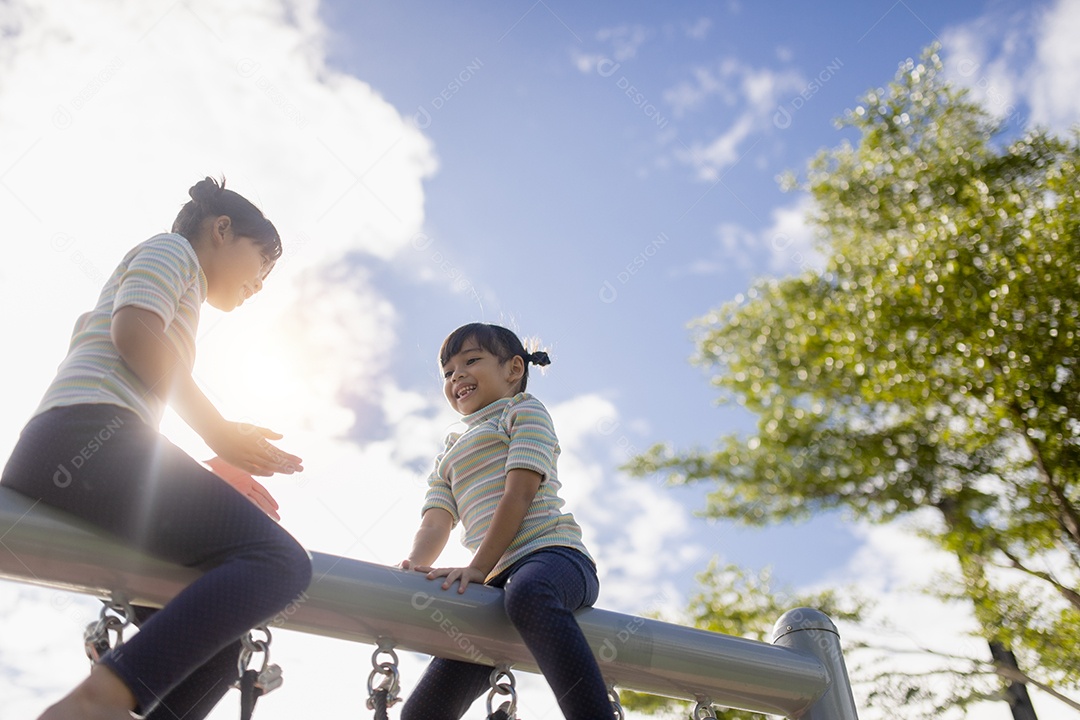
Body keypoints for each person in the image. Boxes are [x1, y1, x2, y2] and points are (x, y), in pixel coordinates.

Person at [1, 177, 313, 720]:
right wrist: (217, 431)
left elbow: (126, 366)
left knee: (215, 656)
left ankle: (116, 699)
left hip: (81, 448)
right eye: (262, 263)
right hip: (82, 436)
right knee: (281, 562)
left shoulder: (181, 284)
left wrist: (211, 465)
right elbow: (135, 334)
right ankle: (101, 700)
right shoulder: (173, 253)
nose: (261, 285)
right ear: (221, 230)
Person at [399, 322, 611, 719]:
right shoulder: (450, 449)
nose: (456, 375)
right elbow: (435, 522)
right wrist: (413, 565)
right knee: (421, 713)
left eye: (471, 361)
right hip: (496, 582)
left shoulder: (523, 411)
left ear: (514, 369)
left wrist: (477, 566)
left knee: (529, 594)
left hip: (554, 557)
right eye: (447, 372)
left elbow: (520, 492)